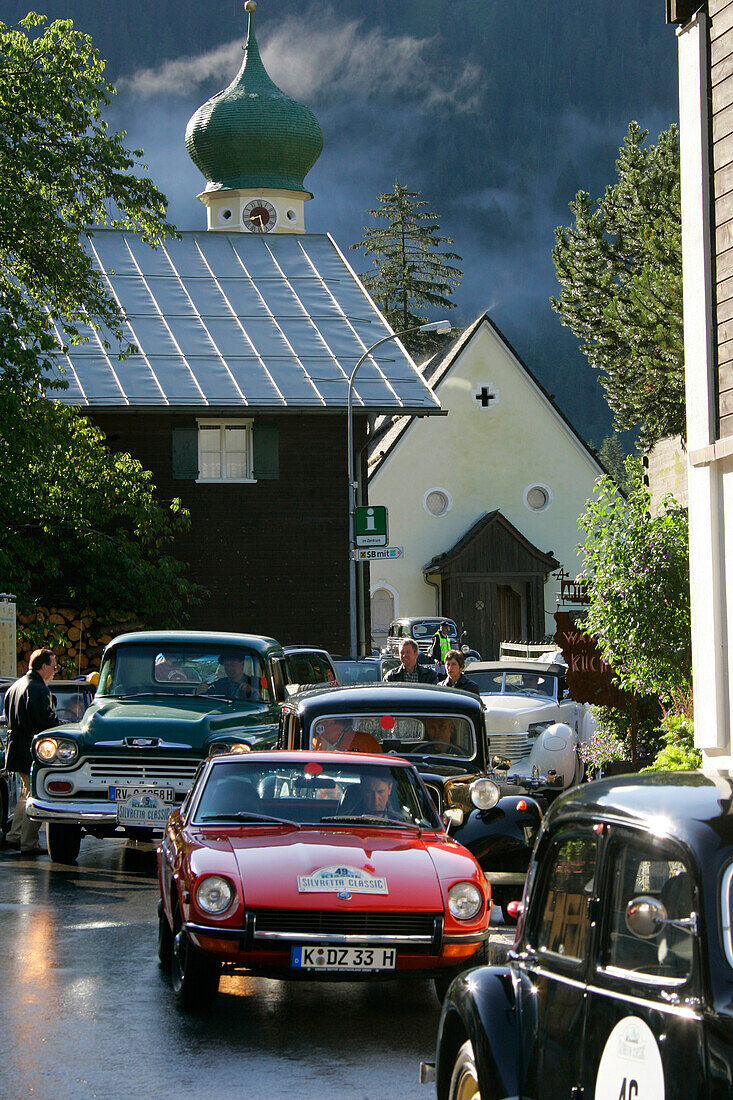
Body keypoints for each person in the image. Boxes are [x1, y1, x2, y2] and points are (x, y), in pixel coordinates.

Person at [3, 648, 58, 853]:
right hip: (32, 751)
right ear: (43, 667)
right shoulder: (39, 689)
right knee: (36, 795)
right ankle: (28, 842)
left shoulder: (15, 686)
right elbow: (47, 723)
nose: (55, 671)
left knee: (25, 794)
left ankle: (15, 835)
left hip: (15, 748)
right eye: (53, 667)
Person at [311, 717, 381, 754]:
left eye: (320, 723)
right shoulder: (315, 742)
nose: (318, 726)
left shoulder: (366, 742)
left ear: (330, 722)